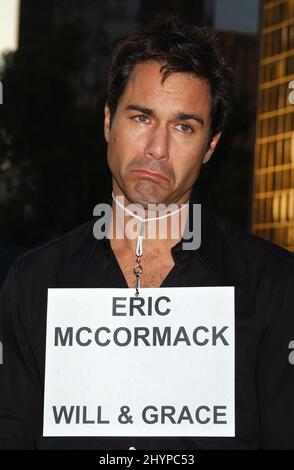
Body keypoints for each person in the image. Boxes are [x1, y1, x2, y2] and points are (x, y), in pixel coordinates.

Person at [0, 16, 293, 450]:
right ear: (107, 122)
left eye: (184, 127)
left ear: (210, 146)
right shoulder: (33, 283)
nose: (157, 149)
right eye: (141, 117)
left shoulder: (274, 284)